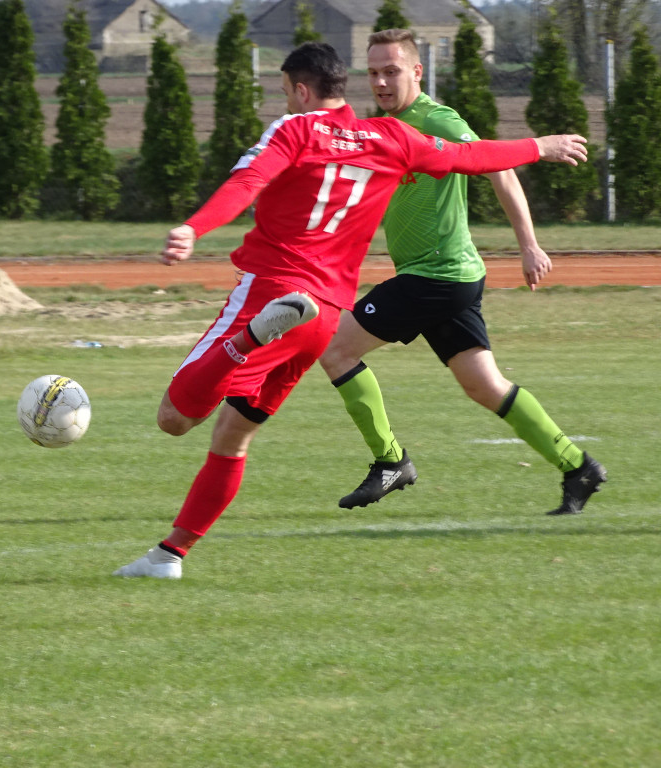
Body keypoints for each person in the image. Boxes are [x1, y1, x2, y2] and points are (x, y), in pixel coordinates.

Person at [113, 41, 588, 579]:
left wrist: (192, 228)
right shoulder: (391, 137)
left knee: (175, 417)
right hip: (321, 316)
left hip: (272, 294)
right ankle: (169, 555)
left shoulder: (293, 130)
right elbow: (470, 158)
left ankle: (253, 346)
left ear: (299, 88)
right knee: (232, 435)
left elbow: (247, 182)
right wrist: (538, 146)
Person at [317, 29, 606, 516]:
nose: (382, 82)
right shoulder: (384, 127)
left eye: (391, 71)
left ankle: (390, 461)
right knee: (484, 386)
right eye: (373, 73)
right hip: (446, 276)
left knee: (334, 349)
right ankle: (578, 466)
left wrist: (529, 244)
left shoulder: (436, 119)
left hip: (437, 276)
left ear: (416, 72)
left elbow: (499, 168)